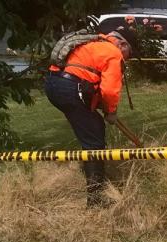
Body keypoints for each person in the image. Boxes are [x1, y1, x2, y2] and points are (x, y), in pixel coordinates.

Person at [44, 29, 134, 207]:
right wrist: (111, 111)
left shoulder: (93, 44)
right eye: (128, 55)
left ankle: (97, 187)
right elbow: (109, 90)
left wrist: (101, 105)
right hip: (70, 87)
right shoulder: (113, 53)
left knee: (94, 127)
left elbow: (87, 76)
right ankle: (96, 199)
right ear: (123, 45)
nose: (126, 59)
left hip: (54, 84)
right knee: (93, 138)